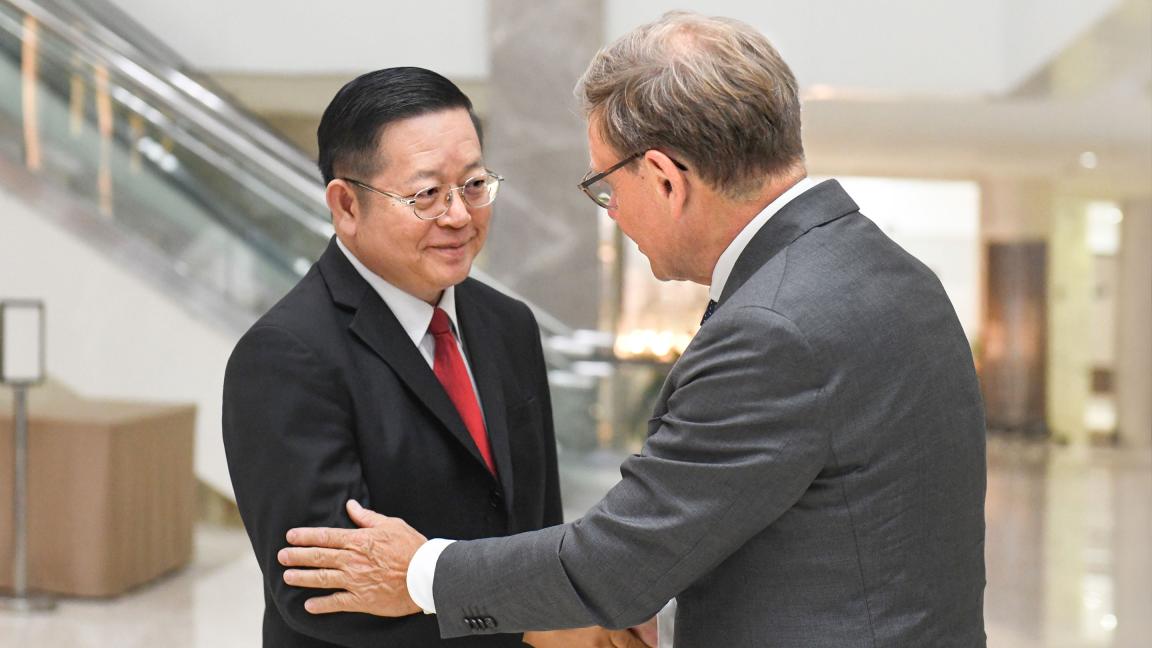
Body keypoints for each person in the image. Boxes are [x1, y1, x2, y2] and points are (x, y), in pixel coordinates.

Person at [277, 13, 988, 648]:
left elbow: (617, 563)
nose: (611, 213)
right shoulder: (893, 272)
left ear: (666, 177)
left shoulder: (771, 329)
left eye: (606, 187)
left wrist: (419, 571)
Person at [223, 67, 640, 648]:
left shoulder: (507, 324)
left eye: (473, 185)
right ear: (346, 205)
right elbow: (320, 592)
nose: (459, 215)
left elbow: (534, 527)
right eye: (426, 195)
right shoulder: (286, 355)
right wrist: (532, 627)